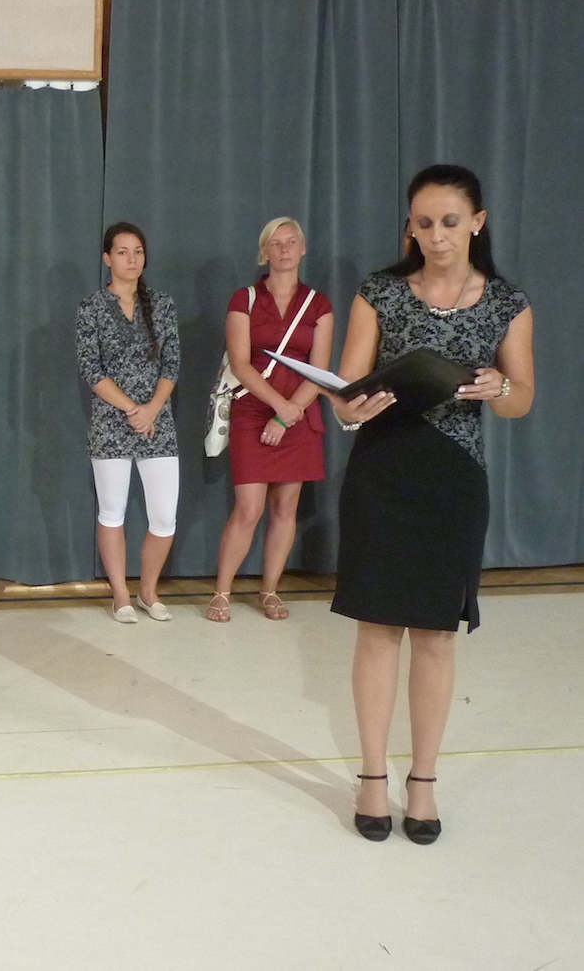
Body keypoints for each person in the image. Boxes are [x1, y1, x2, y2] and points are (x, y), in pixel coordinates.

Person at [328, 165, 534, 844]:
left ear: (477, 221)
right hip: (383, 472)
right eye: (424, 223)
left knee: (437, 636)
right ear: (410, 227)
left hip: (454, 480)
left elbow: (522, 400)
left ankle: (422, 781)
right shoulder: (379, 292)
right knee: (377, 629)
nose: (437, 235)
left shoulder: (508, 303)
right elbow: (344, 397)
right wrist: (354, 407)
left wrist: (500, 387)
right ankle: (371, 777)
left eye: (449, 221)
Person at [206, 218, 334, 622]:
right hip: (253, 410)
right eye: (275, 244)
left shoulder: (319, 305)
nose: (284, 250)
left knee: (285, 508)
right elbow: (241, 364)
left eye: (291, 242)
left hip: (298, 415)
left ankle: (270, 590)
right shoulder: (243, 299)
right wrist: (278, 407)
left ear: (303, 249)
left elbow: (320, 370)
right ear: (264, 252)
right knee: (249, 509)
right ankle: (222, 592)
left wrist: (287, 415)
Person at [75, 222, 180, 623]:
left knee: (164, 517)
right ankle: (120, 594)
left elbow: (171, 365)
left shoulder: (163, 305)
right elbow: (92, 369)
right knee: (112, 511)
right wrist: (133, 409)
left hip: (158, 424)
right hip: (110, 423)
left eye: (138, 251)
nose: (131, 259)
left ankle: (148, 591)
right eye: (122, 252)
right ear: (107, 258)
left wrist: (151, 408)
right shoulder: (91, 307)